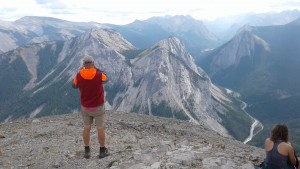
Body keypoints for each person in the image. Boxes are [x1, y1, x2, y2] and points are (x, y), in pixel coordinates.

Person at [72, 55, 109, 159]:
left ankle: (87, 151)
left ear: (83, 64)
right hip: (98, 107)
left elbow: (74, 85)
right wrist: (96, 69)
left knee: (87, 127)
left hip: (86, 107)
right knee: (100, 128)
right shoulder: (99, 74)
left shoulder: (79, 75)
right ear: (93, 63)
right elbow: (106, 79)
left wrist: (81, 73)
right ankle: (102, 151)